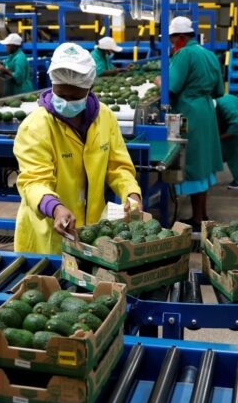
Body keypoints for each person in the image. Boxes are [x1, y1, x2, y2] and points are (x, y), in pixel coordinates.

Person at [13, 42, 142, 255]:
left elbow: (118, 166)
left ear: (90, 89)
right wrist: (55, 207)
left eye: (74, 97)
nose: (66, 102)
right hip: (48, 233)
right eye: (60, 95)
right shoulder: (35, 126)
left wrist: (131, 192)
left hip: (91, 231)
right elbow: (34, 181)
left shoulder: (105, 118)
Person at [156, 16, 223, 225]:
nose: (172, 44)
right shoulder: (209, 55)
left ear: (182, 37)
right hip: (205, 112)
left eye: (173, 39)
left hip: (187, 115)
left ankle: (196, 218)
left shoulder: (184, 54)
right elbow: (219, 90)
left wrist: (158, 80)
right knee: (203, 163)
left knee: (191, 162)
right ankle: (201, 215)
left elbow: (170, 87)